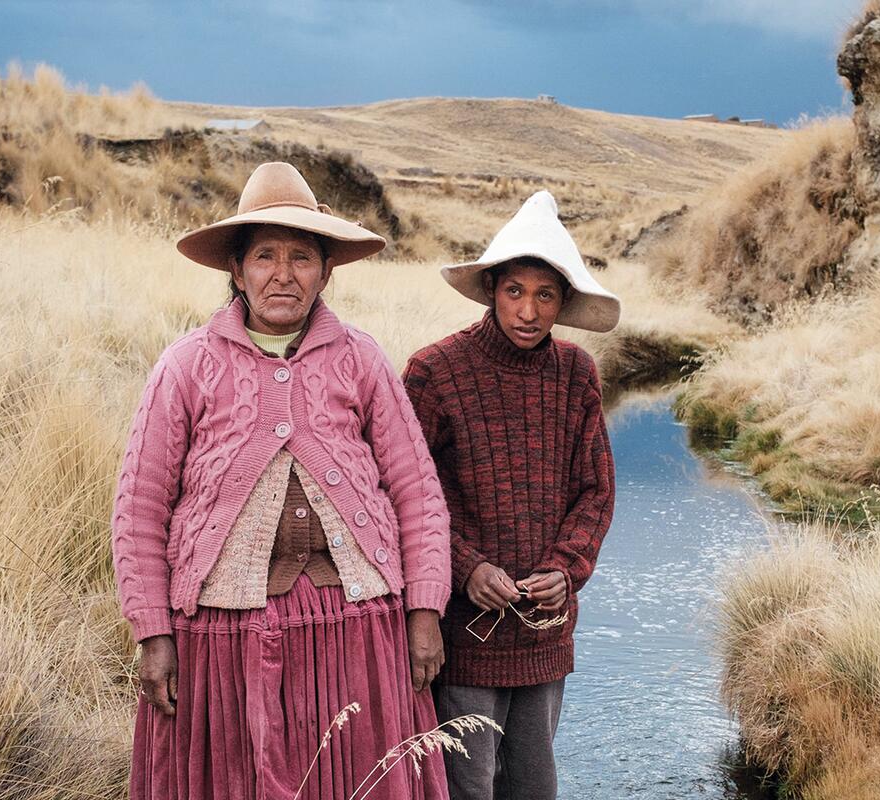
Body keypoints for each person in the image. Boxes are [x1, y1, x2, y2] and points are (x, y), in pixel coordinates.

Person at [112, 161, 452, 800]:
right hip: (221, 632)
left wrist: (424, 611)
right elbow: (139, 509)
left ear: (327, 271)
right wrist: (153, 631)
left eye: (302, 256)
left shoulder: (362, 360)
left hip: (353, 623)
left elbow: (418, 494)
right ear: (235, 271)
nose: (283, 273)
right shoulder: (185, 367)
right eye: (264, 256)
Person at [402, 191, 618, 800]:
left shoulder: (577, 373)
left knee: (532, 785)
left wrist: (565, 569)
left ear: (562, 302)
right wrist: (466, 567)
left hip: (545, 628)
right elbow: (406, 495)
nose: (528, 310)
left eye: (545, 294)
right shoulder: (434, 372)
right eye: (515, 291)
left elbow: (595, 490)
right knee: (466, 787)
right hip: (466, 632)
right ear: (493, 289)